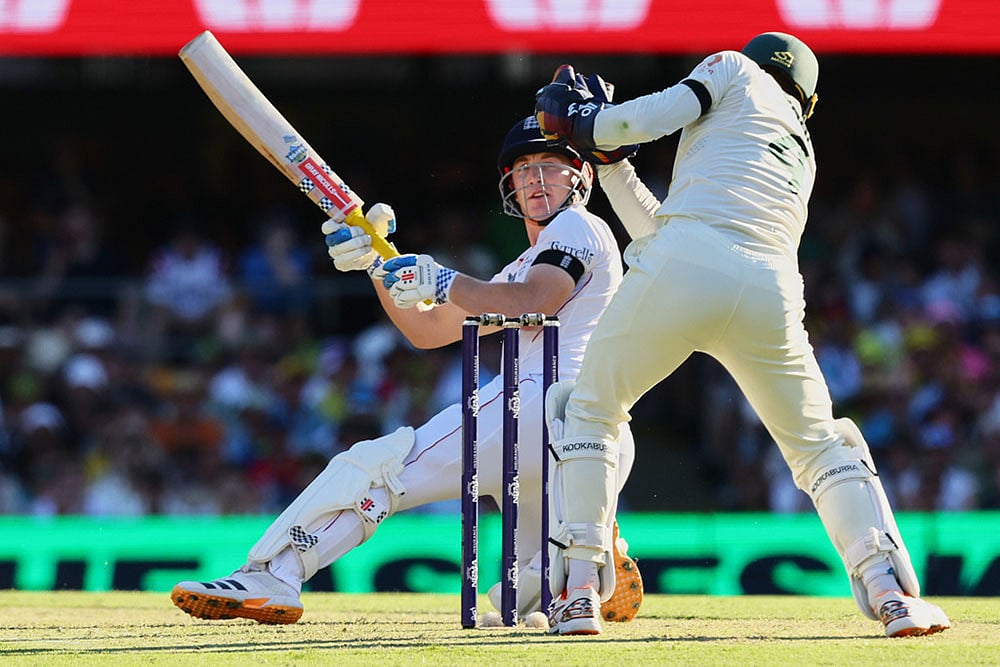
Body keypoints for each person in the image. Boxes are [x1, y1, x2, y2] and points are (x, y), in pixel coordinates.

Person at [531, 32, 950, 637]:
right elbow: (668, 225)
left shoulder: (731, 69)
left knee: (588, 410)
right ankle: (891, 595)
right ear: (805, 99)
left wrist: (588, 123)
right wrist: (608, 156)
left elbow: (642, 128)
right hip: (769, 289)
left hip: (684, 263)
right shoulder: (801, 149)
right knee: (820, 444)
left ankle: (576, 594)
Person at [171, 116, 642, 628]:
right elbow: (430, 330)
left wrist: (442, 278)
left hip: (537, 402)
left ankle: (274, 572)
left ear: (583, 179)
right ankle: (589, 556)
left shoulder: (579, 226)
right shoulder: (524, 263)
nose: (534, 177)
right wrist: (376, 264)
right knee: (522, 601)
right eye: (523, 168)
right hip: (592, 436)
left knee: (380, 468)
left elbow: (532, 301)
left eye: (550, 165)